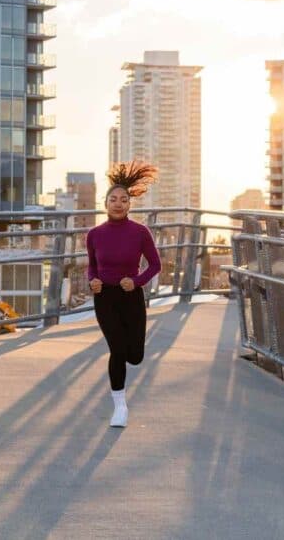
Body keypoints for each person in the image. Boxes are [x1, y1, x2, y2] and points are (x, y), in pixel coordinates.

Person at [86, 161, 161, 428]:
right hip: (105, 298)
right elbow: (92, 266)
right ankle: (119, 407)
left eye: (124, 200)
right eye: (113, 199)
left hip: (131, 297)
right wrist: (93, 281)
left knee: (135, 356)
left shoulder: (140, 233)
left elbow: (155, 265)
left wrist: (137, 281)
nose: (118, 204)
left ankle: (130, 365)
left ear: (130, 204)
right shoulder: (94, 234)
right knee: (117, 349)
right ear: (105, 203)